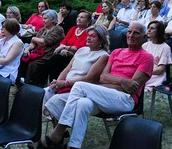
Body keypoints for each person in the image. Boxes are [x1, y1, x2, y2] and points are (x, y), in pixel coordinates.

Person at [38, 21, 154, 149]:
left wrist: (112, 82)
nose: (131, 35)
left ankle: (58, 133)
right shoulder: (117, 52)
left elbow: (130, 88)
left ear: (144, 37)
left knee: (80, 86)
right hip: (105, 97)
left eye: (136, 33)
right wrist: (122, 81)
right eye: (129, 32)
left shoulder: (147, 57)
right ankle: (74, 146)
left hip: (125, 100)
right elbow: (103, 77)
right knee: (83, 103)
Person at [43, 25, 109, 126]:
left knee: (55, 100)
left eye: (93, 36)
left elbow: (89, 78)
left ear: (101, 40)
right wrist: (57, 82)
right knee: (43, 93)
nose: (88, 38)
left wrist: (64, 83)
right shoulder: (81, 50)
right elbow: (67, 69)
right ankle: (58, 129)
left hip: (81, 89)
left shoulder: (103, 56)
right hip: (65, 84)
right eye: (88, 35)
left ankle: (59, 133)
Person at [18, 9, 65, 87]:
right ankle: (19, 82)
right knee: (23, 57)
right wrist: (27, 49)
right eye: (43, 18)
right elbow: (33, 43)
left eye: (45, 18)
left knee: (34, 64)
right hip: (37, 52)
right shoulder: (43, 29)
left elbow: (45, 42)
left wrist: (33, 39)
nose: (43, 20)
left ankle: (32, 84)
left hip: (48, 54)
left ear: (52, 19)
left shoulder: (58, 29)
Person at [44, 10, 92, 82]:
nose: (78, 19)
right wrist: (63, 48)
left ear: (88, 21)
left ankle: (42, 80)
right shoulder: (73, 29)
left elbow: (78, 48)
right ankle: (52, 82)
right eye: (78, 17)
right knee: (55, 61)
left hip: (76, 57)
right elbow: (64, 41)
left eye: (82, 17)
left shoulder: (88, 33)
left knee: (55, 58)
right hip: (65, 53)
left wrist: (64, 47)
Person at [143, 21, 172, 92]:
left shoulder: (165, 47)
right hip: (143, 72)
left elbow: (160, 70)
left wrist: (143, 72)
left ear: (159, 31)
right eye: (148, 28)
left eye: (152, 28)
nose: (149, 30)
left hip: (155, 75)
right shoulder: (145, 45)